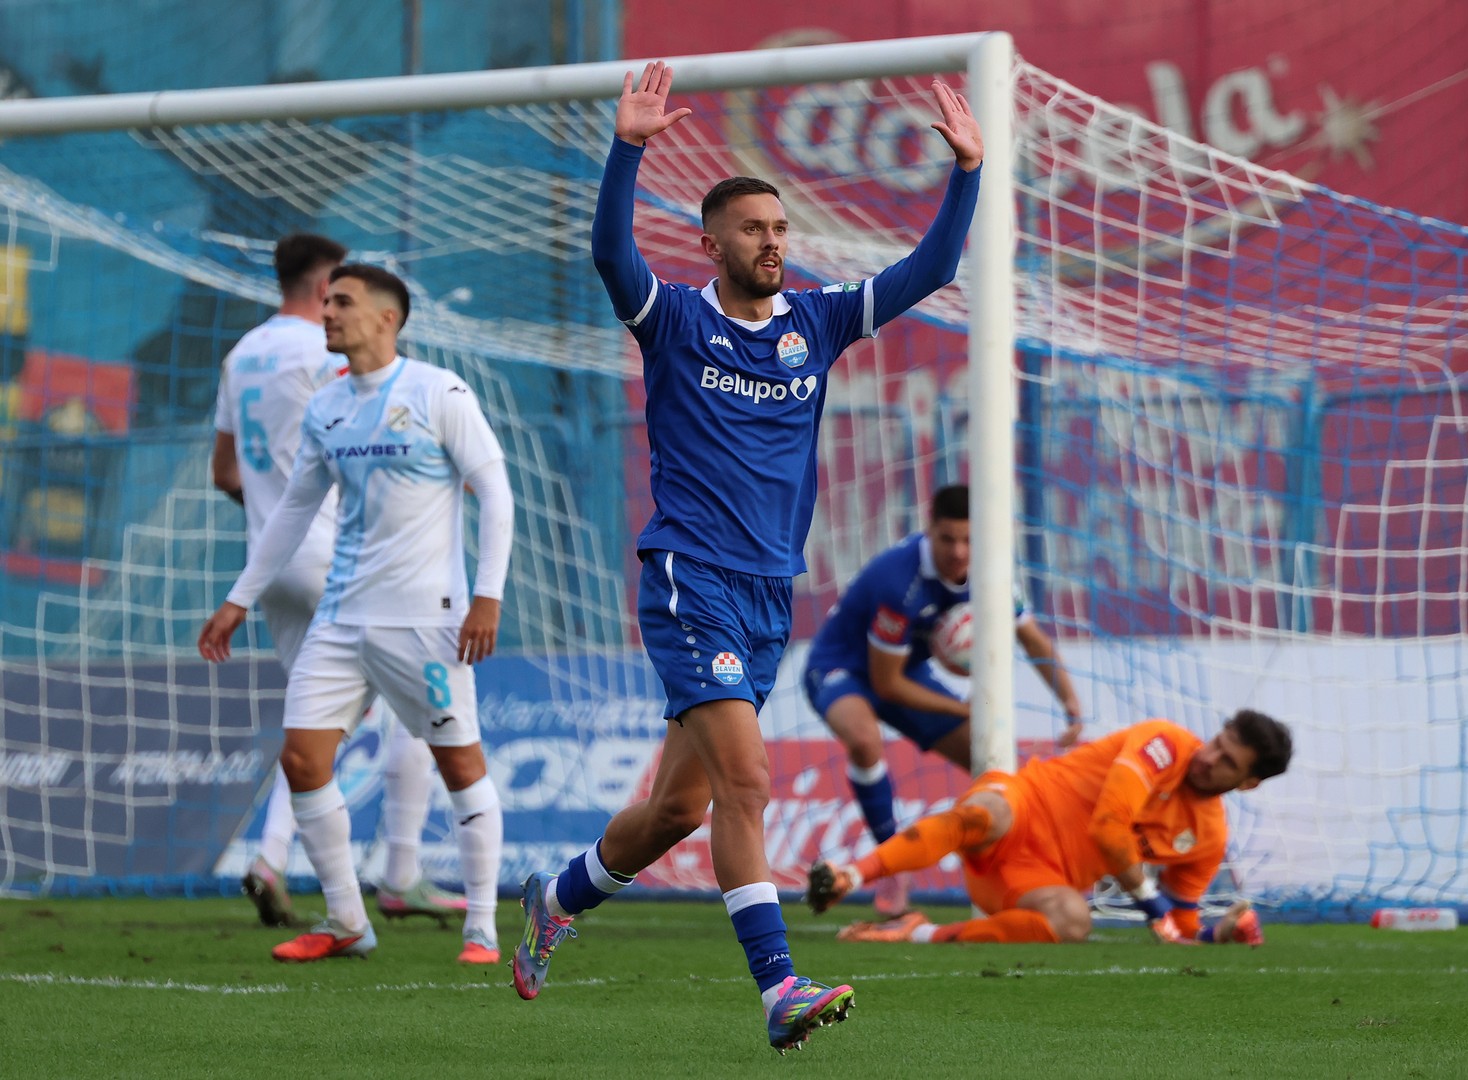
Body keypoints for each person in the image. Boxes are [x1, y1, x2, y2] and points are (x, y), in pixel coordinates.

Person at [510, 61, 983, 1053]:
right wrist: (627, 150)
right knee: (749, 784)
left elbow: (932, 269)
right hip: (689, 576)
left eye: (779, 228)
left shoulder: (817, 322)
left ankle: (554, 900)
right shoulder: (675, 320)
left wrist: (967, 172)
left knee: (676, 809)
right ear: (711, 242)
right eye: (753, 229)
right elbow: (609, 254)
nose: (772, 241)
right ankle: (778, 989)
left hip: (769, 592)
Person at [199, 263, 514, 966]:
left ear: (386, 318)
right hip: (340, 620)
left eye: (342, 302)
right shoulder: (326, 407)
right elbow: (293, 511)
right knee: (303, 759)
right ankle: (346, 920)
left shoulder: (438, 392)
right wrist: (237, 599)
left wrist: (487, 596)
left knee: (460, 764)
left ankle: (482, 928)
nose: (328, 312)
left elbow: (495, 492)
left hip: (425, 621)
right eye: (327, 301)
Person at [803, 482, 1082, 917]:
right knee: (864, 740)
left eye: (968, 539)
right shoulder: (899, 581)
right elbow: (886, 685)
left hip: (907, 670)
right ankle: (891, 868)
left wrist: (1070, 703)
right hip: (842, 667)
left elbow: (1032, 640)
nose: (958, 551)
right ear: (929, 529)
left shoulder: (993, 572)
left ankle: (1029, 873)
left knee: (995, 764)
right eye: (948, 539)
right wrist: (962, 708)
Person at [808, 710, 1291, 947]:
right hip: (1023, 805)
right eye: (1217, 742)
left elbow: (1179, 928)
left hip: (1031, 882)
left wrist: (1217, 935)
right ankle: (850, 875)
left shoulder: (1208, 837)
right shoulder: (1164, 743)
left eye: (1227, 761)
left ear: (1247, 783)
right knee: (986, 813)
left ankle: (915, 932)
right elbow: (1108, 829)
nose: (1209, 757)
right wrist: (1150, 901)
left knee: (1074, 921)